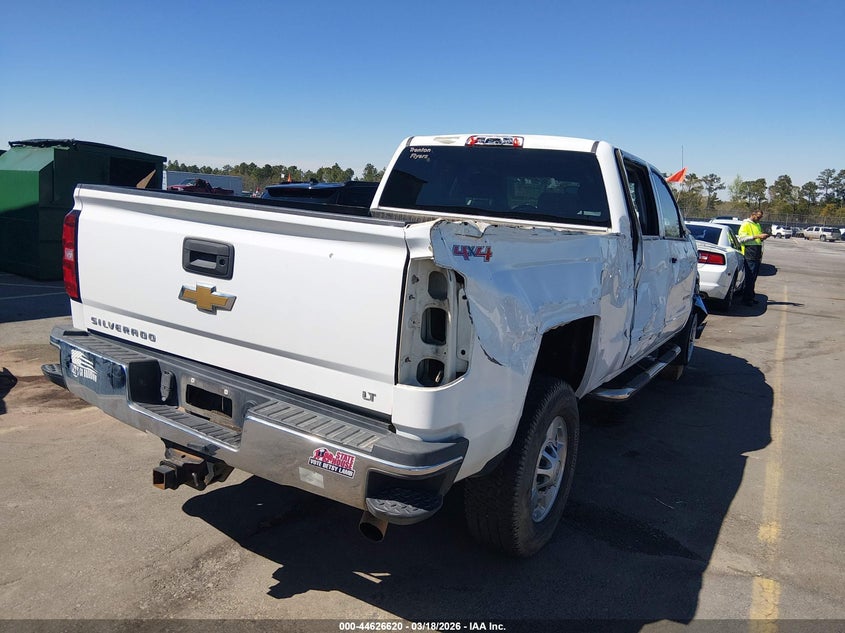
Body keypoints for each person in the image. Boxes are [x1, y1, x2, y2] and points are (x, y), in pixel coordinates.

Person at [737, 209, 770, 306]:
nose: (759, 219)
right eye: (758, 217)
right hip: (749, 253)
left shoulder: (757, 224)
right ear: (753, 214)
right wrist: (757, 236)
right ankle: (746, 299)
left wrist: (762, 237)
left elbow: (757, 238)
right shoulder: (746, 224)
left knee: (753, 277)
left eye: (761, 217)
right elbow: (741, 239)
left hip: (756, 253)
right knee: (750, 277)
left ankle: (750, 296)